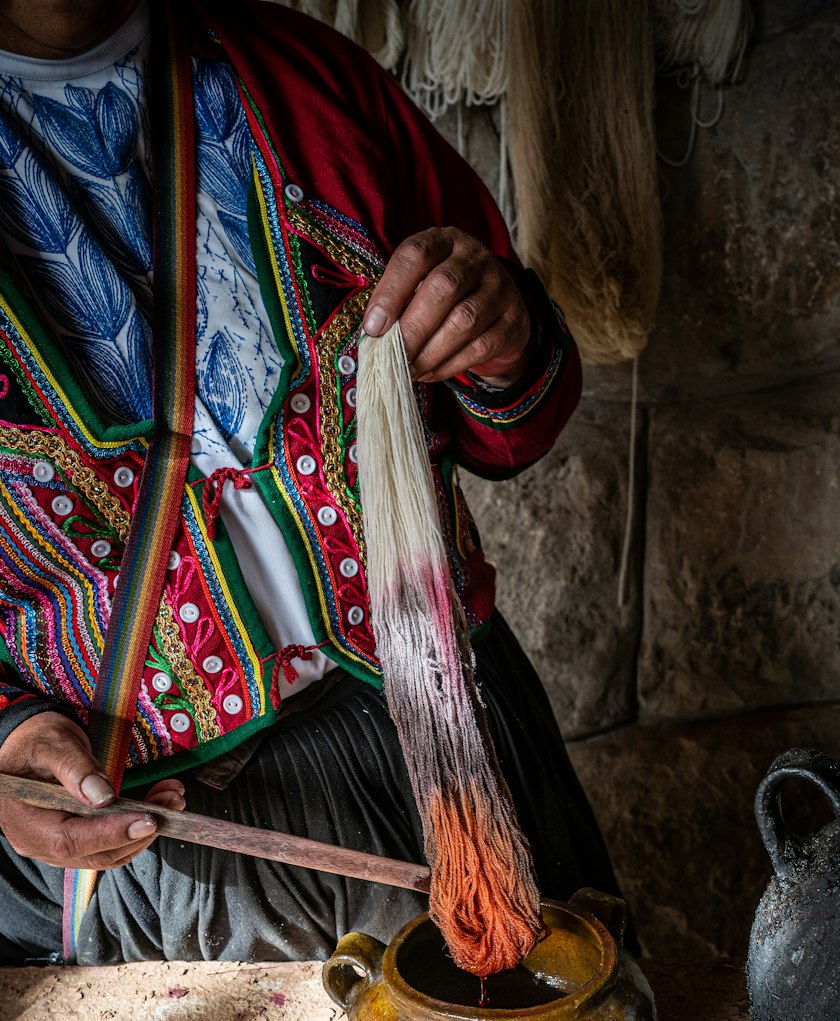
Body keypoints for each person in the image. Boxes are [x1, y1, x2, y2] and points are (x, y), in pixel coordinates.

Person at [0, 0, 621, 964]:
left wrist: (501, 337)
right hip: (181, 836)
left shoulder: (297, 80)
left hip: (457, 727)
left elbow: (514, 418)